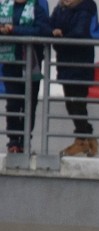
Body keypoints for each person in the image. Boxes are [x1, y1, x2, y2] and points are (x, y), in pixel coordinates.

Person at [0, 0, 50, 153]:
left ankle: (25, 140)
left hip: (31, 63)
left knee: (30, 103)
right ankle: (14, 140)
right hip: (11, 62)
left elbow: (43, 31)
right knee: (13, 102)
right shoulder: (3, 7)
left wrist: (15, 30)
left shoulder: (37, 8)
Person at [50, 0, 98, 157]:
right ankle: (87, 138)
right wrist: (54, 32)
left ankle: (82, 139)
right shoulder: (60, 8)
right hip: (65, 61)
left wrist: (59, 36)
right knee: (70, 103)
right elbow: (50, 26)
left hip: (80, 62)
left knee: (78, 101)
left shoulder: (87, 6)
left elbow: (80, 31)